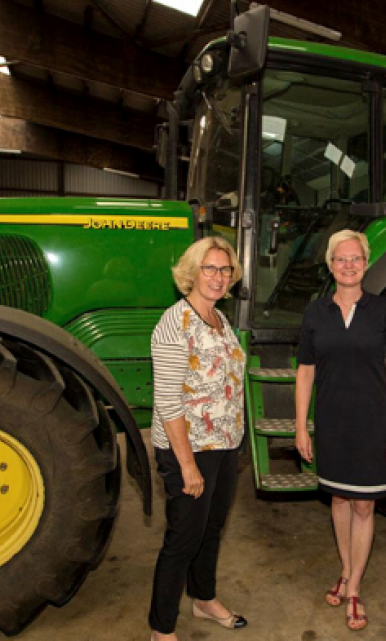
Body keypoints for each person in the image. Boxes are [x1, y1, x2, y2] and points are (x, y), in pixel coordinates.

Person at [295, 229, 386, 632]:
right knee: (340, 501)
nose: (348, 265)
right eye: (340, 259)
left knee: (364, 505)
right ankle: (345, 570)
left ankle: (355, 586)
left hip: (373, 424)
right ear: (330, 265)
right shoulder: (315, 313)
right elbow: (305, 372)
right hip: (331, 424)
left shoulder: (383, 311)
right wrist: (301, 426)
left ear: (365, 263)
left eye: (355, 259)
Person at [149, 237, 248, 641]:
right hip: (188, 449)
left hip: (224, 445)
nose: (218, 277)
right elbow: (169, 402)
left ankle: (204, 599)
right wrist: (187, 465)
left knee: (211, 529)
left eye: (225, 270)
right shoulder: (176, 322)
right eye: (209, 268)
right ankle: (161, 628)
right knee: (183, 539)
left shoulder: (219, 319)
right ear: (191, 273)